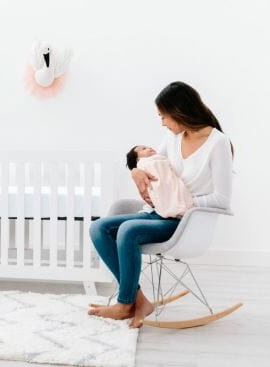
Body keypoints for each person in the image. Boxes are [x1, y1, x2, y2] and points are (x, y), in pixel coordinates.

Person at [88, 81, 234, 328]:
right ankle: (139, 299)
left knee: (128, 231)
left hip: (183, 221)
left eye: (163, 116)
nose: (162, 123)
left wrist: (183, 202)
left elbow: (222, 199)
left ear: (180, 111)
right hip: (156, 213)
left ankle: (125, 303)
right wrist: (135, 171)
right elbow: (152, 163)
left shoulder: (218, 143)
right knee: (98, 228)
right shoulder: (173, 136)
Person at [125, 145, 194, 218]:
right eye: (144, 149)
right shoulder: (145, 163)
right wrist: (135, 170)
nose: (149, 148)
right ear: (138, 160)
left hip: (163, 211)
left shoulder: (162, 159)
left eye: (147, 147)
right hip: (152, 209)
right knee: (111, 222)